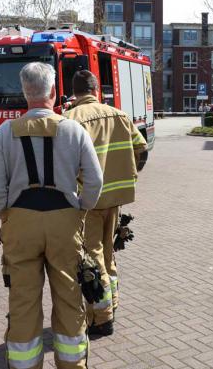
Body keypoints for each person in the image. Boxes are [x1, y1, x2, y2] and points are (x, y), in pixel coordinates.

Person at [0, 62, 103, 369]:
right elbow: (94, 181)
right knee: (68, 296)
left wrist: (6, 215)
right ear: (53, 91)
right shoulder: (73, 130)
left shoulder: (5, 133)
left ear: (25, 93)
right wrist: (81, 208)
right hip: (64, 221)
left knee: (23, 301)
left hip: (20, 222)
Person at [64, 70, 147, 338]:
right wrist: (128, 176)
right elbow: (141, 148)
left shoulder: (70, 119)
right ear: (97, 89)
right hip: (116, 198)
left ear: (74, 93)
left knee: (92, 256)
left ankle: (102, 317)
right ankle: (112, 303)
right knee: (108, 253)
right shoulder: (119, 115)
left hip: (87, 201)